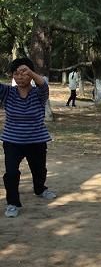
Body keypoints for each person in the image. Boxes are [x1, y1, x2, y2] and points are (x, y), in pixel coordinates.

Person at [0, 58, 57, 218]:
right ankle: (12, 203)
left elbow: (44, 85)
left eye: (24, 73)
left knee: (39, 170)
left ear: (31, 75)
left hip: (36, 140)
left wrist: (30, 71)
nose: (20, 77)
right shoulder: (7, 92)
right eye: (16, 73)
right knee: (11, 173)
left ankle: (40, 189)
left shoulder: (38, 94)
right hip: (12, 141)